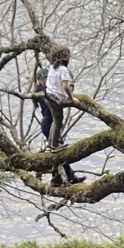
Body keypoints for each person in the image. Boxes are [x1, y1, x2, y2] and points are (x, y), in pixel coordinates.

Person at [43, 46, 82, 185]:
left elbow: (51, 83)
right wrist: (72, 99)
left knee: (56, 121)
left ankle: (53, 144)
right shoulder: (64, 70)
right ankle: (54, 145)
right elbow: (65, 87)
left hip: (49, 95)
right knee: (57, 121)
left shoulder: (52, 67)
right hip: (56, 98)